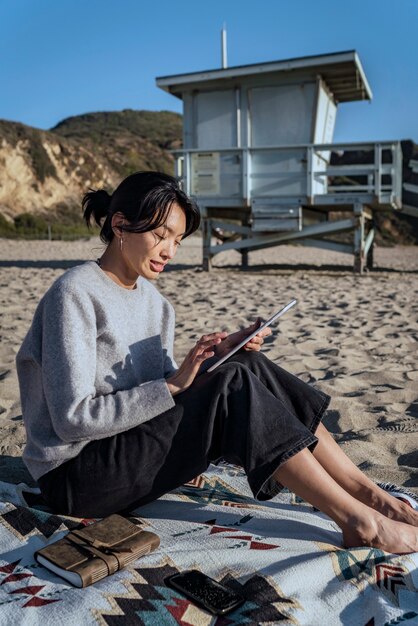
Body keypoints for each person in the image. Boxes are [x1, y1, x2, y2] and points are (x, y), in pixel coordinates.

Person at [16, 171, 417, 555]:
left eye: (178, 239)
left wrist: (218, 355)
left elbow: (165, 392)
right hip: (75, 477)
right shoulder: (74, 294)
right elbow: (73, 419)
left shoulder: (157, 305)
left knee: (246, 366)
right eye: (160, 235)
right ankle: (359, 522)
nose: (169, 251)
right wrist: (174, 386)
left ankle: (372, 497)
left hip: (126, 452)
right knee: (232, 384)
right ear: (120, 225)